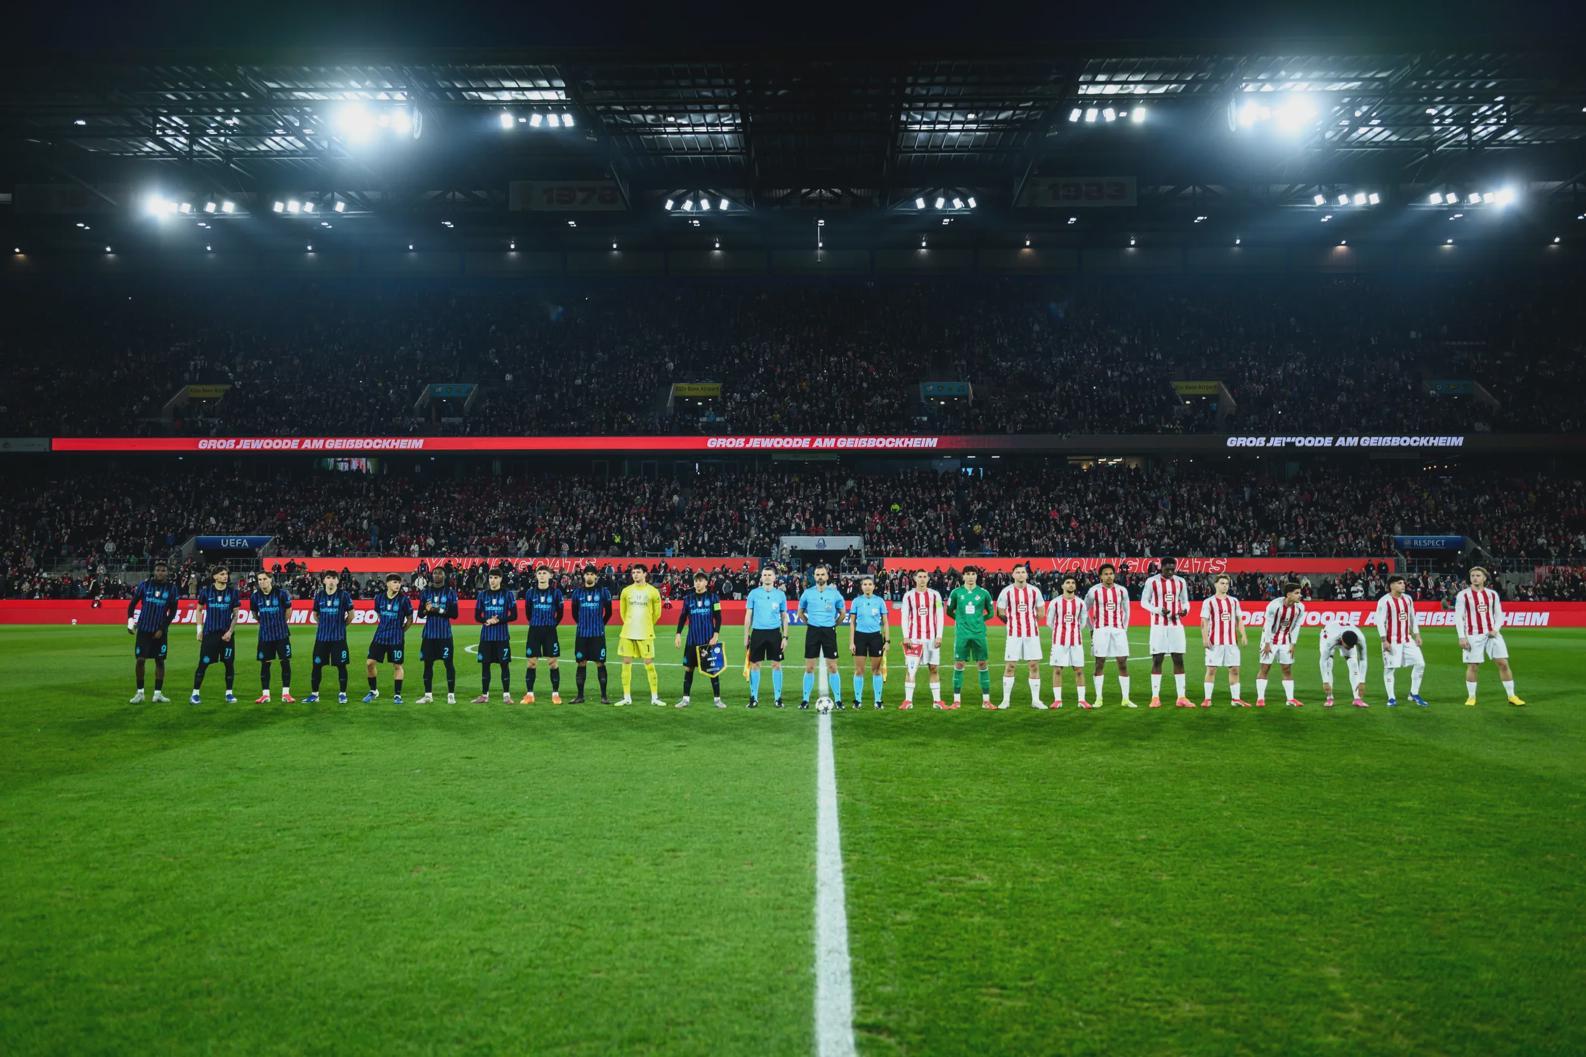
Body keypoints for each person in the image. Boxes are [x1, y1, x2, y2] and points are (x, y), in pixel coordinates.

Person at [1455, 566, 1524, 707]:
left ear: (1484, 578)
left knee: (1503, 663)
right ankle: (1471, 697)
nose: (1475, 578)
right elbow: (1458, 617)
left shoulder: (1492, 594)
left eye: (1478, 575)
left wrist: (1495, 629)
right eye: (1473, 575)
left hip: (1492, 634)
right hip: (1473, 635)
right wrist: (1462, 637)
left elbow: (1499, 614)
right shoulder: (1463, 595)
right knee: (1473, 666)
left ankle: (1512, 696)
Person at [1142, 557, 1192, 708]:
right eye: (1167, 569)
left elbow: (1185, 601)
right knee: (1157, 660)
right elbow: (1144, 602)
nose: (1170, 572)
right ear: (1161, 568)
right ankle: (1155, 697)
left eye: (1172, 569)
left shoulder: (1180, 582)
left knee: (1179, 659)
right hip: (1158, 626)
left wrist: (1185, 610)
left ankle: (1181, 697)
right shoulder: (1152, 581)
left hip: (1176, 625)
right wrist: (1158, 610)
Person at [126, 558, 178, 703]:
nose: (160, 573)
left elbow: (173, 611)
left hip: (160, 631)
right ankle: (140, 693)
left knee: (160, 660)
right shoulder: (144, 585)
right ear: (154, 572)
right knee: (140, 660)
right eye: (158, 570)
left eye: (163, 570)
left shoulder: (171, 588)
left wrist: (162, 628)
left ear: (167, 572)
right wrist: (130, 621)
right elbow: (132, 604)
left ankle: (157, 694)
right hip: (144, 628)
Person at [994, 562, 1044, 710]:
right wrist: (1011, 623)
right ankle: (1005, 700)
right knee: (1010, 666)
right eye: (1018, 572)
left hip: (1032, 634)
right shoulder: (1006, 592)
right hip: (1013, 634)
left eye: (1023, 572)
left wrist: (1030, 623)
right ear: (1013, 575)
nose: (1021, 574)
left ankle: (1036, 700)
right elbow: (1000, 612)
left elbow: (1041, 612)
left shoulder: (1035, 591)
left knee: (1034, 665)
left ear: (1027, 575)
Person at [796, 563, 846, 710]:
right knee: (809, 667)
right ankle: (805, 700)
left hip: (829, 631)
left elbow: (842, 614)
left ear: (827, 576)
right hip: (813, 631)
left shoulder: (835, 594)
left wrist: (833, 625)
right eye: (817, 574)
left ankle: (838, 700)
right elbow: (800, 613)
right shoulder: (807, 593)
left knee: (833, 667)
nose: (820, 577)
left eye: (822, 574)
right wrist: (809, 623)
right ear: (814, 576)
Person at [1085, 563, 1134, 708]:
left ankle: (1126, 699)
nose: (1109, 576)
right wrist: (1091, 628)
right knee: (1099, 662)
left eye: (1111, 573)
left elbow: (1127, 611)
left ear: (1114, 575)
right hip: (1100, 630)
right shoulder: (1093, 591)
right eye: (1105, 574)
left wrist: (1124, 629)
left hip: (1118, 630)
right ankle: (1098, 698)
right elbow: (1084, 610)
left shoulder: (1122, 590)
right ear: (1100, 576)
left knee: (1122, 662)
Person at [1375, 574, 1428, 707]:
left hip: (1407, 639)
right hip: (1391, 640)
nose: (1403, 585)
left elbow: (1412, 617)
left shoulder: (1408, 599)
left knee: (1420, 663)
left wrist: (1417, 635)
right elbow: (1380, 622)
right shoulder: (1384, 601)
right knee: (1390, 668)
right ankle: (1391, 698)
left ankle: (1414, 693)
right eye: (1399, 583)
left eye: (1403, 583)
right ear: (1392, 586)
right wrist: (1384, 640)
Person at [946, 566, 995, 710]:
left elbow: (991, 613)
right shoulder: (956, 593)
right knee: (959, 664)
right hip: (962, 634)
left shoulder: (984, 593)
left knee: (982, 664)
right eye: (967, 574)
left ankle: (986, 701)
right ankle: (956, 701)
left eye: (973, 574)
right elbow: (949, 611)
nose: (971, 576)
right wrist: (960, 620)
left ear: (976, 576)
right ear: (963, 577)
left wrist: (979, 620)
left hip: (979, 634)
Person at [190, 565, 240, 705]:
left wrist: (230, 631)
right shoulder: (206, 592)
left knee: (229, 664)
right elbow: (199, 610)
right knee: (203, 663)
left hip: (226, 635)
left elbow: (236, 615)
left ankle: (229, 693)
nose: (225, 576)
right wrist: (199, 630)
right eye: (222, 574)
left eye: (226, 574)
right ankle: (195, 694)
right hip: (210, 634)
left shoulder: (233, 592)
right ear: (215, 576)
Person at [674, 572, 724, 709]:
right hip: (692, 640)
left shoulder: (714, 598)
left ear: (706, 582)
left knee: (713, 669)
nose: (697, 583)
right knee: (688, 669)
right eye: (696, 581)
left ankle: (717, 700)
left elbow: (718, 617)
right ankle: (685, 699)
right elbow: (682, 617)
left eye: (700, 580)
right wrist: (678, 634)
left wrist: (716, 635)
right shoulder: (688, 599)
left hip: (708, 641)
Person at [617, 563, 663, 707]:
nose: (635, 575)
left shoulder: (653, 592)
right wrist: (630, 624)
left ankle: (654, 697)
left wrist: (647, 624)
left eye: (638, 572)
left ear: (645, 574)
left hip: (645, 633)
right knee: (626, 663)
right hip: (628, 632)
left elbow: (657, 613)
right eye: (633, 572)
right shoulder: (626, 591)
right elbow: (623, 612)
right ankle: (626, 697)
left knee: (649, 663)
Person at [305, 571, 354, 704]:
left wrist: (342, 626)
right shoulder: (319, 595)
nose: (331, 580)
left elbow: (351, 615)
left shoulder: (344, 595)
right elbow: (315, 614)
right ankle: (315, 694)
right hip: (322, 638)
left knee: (341, 666)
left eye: (333, 578)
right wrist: (323, 625)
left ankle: (342, 694)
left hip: (339, 638)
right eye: (328, 578)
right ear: (324, 581)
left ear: (337, 581)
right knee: (316, 665)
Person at [363, 574, 414, 704]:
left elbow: (410, 619)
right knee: (369, 663)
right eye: (395, 582)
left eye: (399, 583)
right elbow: (379, 614)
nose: (398, 585)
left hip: (396, 639)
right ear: (387, 584)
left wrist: (401, 631)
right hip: (380, 636)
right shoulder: (379, 598)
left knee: (397, 665)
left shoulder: (404, 600)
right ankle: (373, 691)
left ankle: (397, 695)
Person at [743, 566, 789, 709]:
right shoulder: (753, 594)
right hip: (757, 633)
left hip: (775, 633)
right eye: (765, 575)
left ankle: (778, 698)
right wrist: (746, 635)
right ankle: (754, 698)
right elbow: (748, 615)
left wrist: (785, 637)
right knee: (755, 665)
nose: (767, 577)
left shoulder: (780, 595)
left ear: (774, 577)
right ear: (761, 577)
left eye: (770, 575)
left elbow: (784, 617)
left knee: (776, 664)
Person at [1199, 573, 1248, 708]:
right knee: (1211, 670)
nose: (1225, 586)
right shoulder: (1209, 602)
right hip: (1214, 642)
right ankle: (1207, 699)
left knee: (1234, 670)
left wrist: (1243, 635)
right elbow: (1204, 621)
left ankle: (1236, 699)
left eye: (1227, 584)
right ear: (1215, 584)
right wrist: (1205, 638)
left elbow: (1239, 620)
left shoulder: (1234, 601)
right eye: (1222, 583)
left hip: (1231, 642)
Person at [899, 569, 945, 711]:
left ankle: (937, 701)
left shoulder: (935, 595)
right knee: (911, 669)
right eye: (920, 576)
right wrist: (906, 636)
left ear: (928, 579)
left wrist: (939, 636)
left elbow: (940, 615)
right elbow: (904, 617)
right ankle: (908, 701)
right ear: (915, 579)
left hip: (932, 639)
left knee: (934, 668)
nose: (922, 579)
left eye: (925, 576)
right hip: (914, 639)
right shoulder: (908, 596)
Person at [1256, 581, 1306, 708]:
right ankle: (1260, 698)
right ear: (1288, 594)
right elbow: (1268, 625)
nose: (1300, 595)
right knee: (1265, 668)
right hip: (1270, 640)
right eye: (1297, 593)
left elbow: (1297, 626)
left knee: (1287, 669)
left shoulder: (1300, 608)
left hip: (1286, 640)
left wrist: (1293, 644)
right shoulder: (1274, 606)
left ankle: (1290, 699)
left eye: (1300, 593)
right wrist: (1267, 643)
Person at [520, 565, 565, 704]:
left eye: (544, 573)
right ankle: (529, 694)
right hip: (534, 630)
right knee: (531, 662)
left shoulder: (556, 593)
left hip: (550, 631)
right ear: (536, 575)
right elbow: (528, 612)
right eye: (539, 573)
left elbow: (560, 613)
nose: (542, 575)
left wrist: (552, 625)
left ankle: (555, 694)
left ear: (550, 575)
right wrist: (535, 622)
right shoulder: (530, 593)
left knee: (552, 662)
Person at [569, 564, 613, 704]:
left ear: (596, 576)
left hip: (597, 634)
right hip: (582, 634)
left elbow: (609, 612)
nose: (589, 576)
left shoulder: (603, 592)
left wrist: (600, 624)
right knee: (581, 663)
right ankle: (580, 696)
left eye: (592, 574)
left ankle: (604, 696)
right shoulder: (577, 593)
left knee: (600, 663)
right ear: (584, 576)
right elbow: (574, 613)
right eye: (587, 574)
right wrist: (582, 623)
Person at [1044, 575, 1089, 709]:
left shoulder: (1080, 603)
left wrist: (1073, 631)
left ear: (1075, 586)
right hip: (1059, 641)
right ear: (1063, 586)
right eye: (1067, 582)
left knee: (1079, 670)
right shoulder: (1055, 602)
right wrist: (1060, 631)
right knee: (1057, 669)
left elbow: (1083, 622)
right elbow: (1049, 622)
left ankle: (1082, 700)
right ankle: (1058, 700)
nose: (1070, 584)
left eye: (1073, 582)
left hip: (1076, 641)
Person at [472, 567, 516, 704]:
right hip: (486, 637)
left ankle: (506, 696)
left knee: (504, 665)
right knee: (485, 666)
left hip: (502, 637)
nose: (493, 580)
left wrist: (498, 620)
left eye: (496, 578)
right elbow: (477, 616)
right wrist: (486, 620)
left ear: (501, 579)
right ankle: (484, 695)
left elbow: (514, 615)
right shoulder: (482, 595)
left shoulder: (507, 594)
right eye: (491, 578)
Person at [250, 569, 294, 703]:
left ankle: (286, 694)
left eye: (264, 579)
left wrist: (281, 623)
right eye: (259, 580)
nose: (262, 582)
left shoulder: (281, 594)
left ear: (270, 579)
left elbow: (288, 610)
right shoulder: (255, 597)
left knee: (285, 663)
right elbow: (254, 614)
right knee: (265, 665)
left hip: (281, 634)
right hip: (265, 636)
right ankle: (265, 695)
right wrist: (265, 623)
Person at [417, 567, 459, 704]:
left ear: (444, 576)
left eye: (440, 573)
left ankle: (451, 695)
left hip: (444, 635)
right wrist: (426, 610)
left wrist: (437, 610)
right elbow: (420, 614)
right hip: (429, 635)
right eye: (435, 573)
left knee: (448, 664)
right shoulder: (425, 592)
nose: (437, 575)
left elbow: (454, 614)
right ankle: (428, 695)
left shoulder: (450, 593)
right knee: (427, 665)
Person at [847, 575, 889, 709]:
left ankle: (878, 700)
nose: (867, 586)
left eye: (870, 584)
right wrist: (851, 642)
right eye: (865, 584)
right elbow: (852, 623)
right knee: (859, 670)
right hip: (860, 637)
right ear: (861, 587)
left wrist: (887, 641)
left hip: (875, 637)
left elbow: (885, 622)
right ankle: (857, 700)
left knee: (876, 670)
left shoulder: (880, 601)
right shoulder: (856, 601)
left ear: (874, 587)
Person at [1318, 623, 1370, 708]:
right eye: (1348, 646)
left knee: (1354, 663)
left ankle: (1357, 699)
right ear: (1342, 641)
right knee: (1328, 663)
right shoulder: (1331, 640)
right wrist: (1325, 681)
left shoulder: (1360, 639)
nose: (1350, 648)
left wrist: (1362, 681)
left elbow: (1363, 659)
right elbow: (1323, 660)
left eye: (1352, 646)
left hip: (1344, 632)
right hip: (1328, 632)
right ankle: (1329, 698)